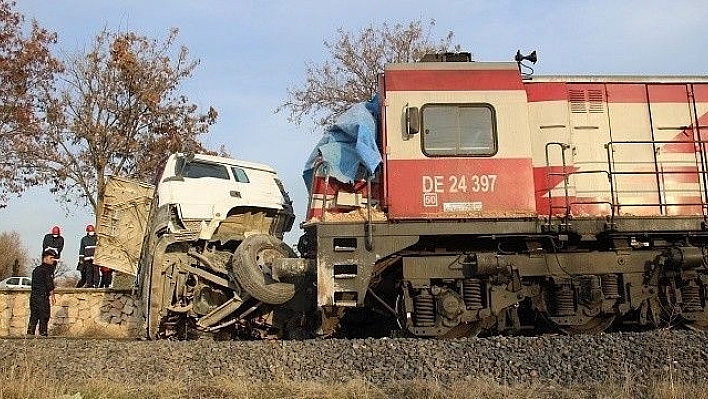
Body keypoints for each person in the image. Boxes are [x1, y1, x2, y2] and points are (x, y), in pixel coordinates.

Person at [27, 248, 57, 337]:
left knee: (34, 316)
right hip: (41, 297)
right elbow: (49, 283)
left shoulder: (36, 269)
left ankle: (29, 335)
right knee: (44, 316)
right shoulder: (46, 270)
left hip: (34, 296)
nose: (53, 260)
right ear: (45, 258)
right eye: (51, 258)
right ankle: (43, 335)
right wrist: (52, 296)